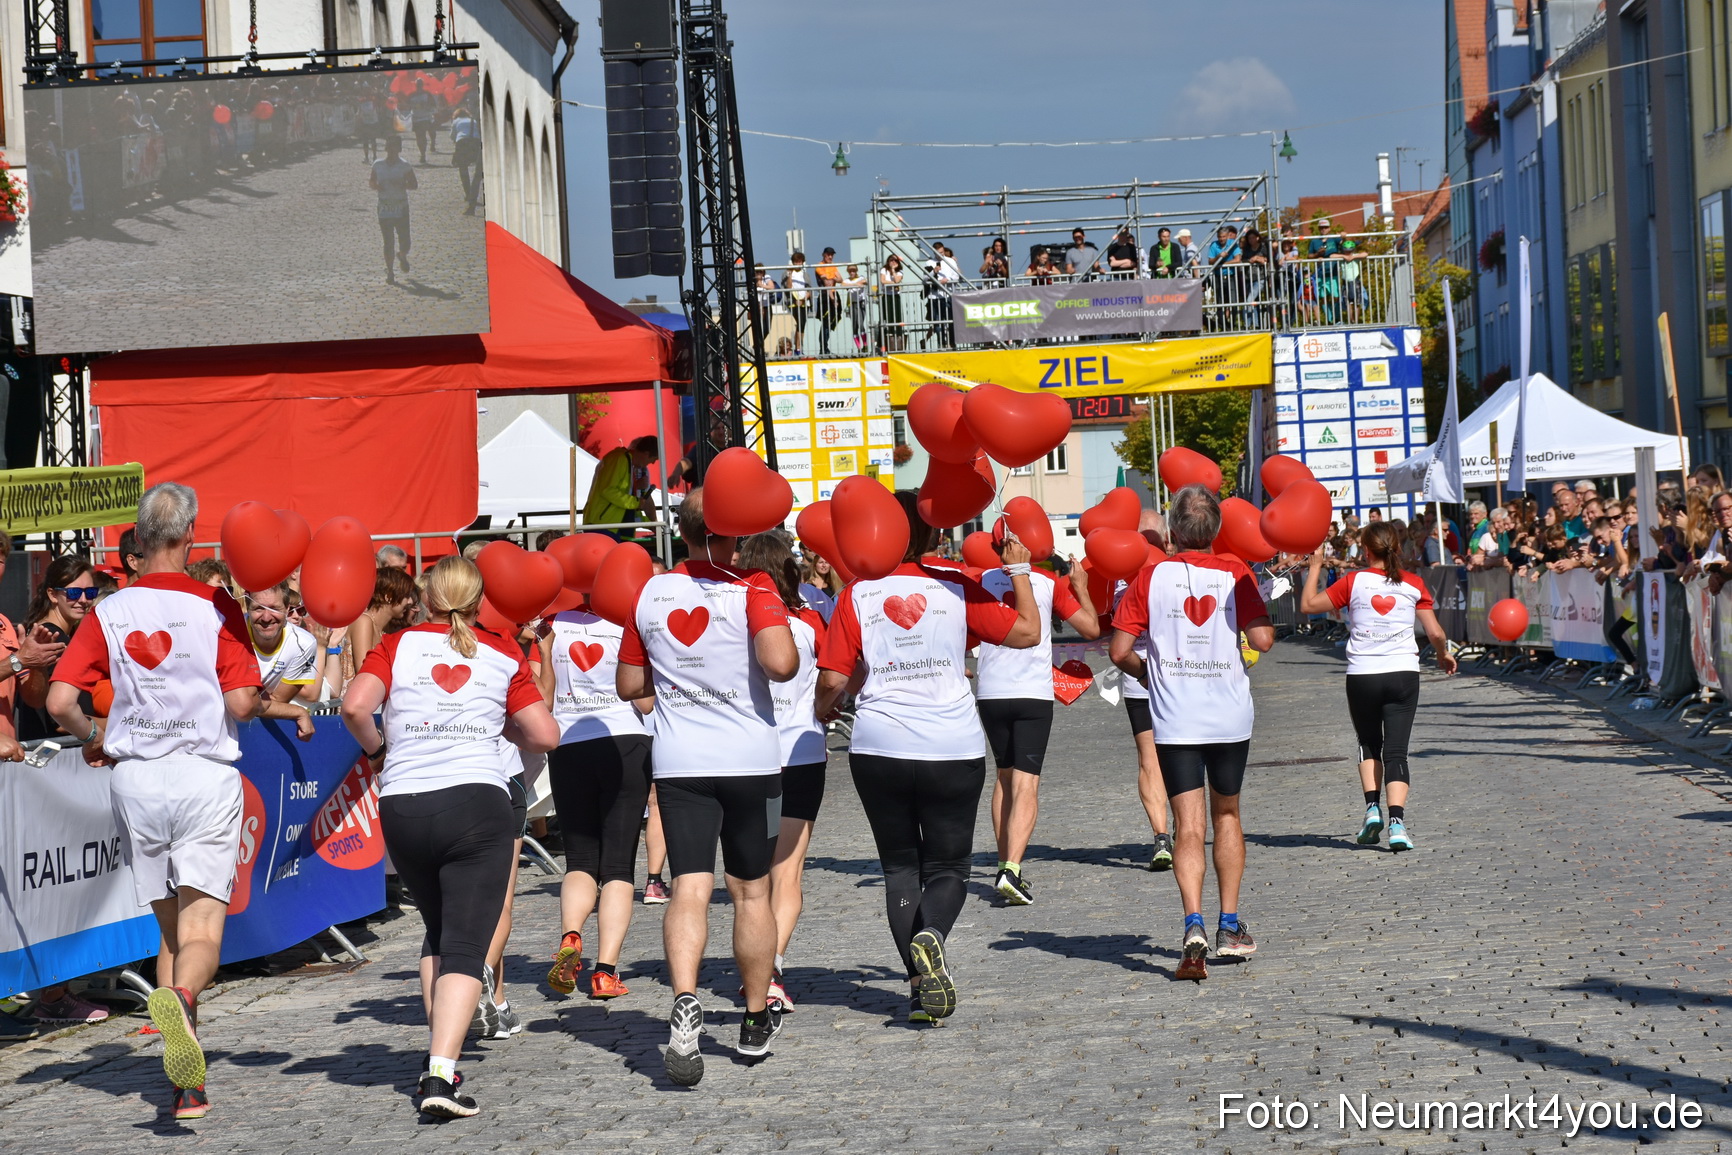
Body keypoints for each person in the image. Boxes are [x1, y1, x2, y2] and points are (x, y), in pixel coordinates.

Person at [46, 483, 262, 1121]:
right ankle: (183, 999)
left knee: (170, 930)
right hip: (202, 775)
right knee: (202, 934)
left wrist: (95, 737)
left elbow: (59, 701)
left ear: (139, 539)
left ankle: (186, 1085)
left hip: (136, 780)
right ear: (190, 535)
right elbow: (242, 703)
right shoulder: (216, 604)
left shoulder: (109, 609)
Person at [340, 556, 558, 1119]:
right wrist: (498, 724)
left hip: (404, 805)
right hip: (476, 804)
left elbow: (355, 706)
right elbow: (545, 734)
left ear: (426, 598)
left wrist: (379, 752)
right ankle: (440, 1073)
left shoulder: (397, 645)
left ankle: (439, 1049)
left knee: (437, 934)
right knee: (463, 944)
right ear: (480, 601)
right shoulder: (501, 651)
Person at [815, 492, 1042, 1022]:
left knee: (900, 868)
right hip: (950, 747)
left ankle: (919, 991)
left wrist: (823, 711)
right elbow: (1029, 631)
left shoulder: (857, 592)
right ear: (934, 534)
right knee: (948, 867)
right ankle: (933, 935)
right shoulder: (955, 584)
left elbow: (831, 679)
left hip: (879, 747)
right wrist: (1019, 570)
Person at [615, 488, 798, 1085]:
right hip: (749, 762)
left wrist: (680, 683)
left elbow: (628, 684)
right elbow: (782, 664)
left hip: (680, 763)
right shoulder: (754, 587)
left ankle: (685, 1001)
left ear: (685, 532)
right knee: (751, 892)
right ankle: (754, 1016)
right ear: (733, 533)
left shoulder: (651, 592)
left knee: (688, 888)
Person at [1108, 485, 1275, 982]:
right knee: (1228, 815)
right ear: (1216, 529)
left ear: (1172, 532)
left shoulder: (1150, 575)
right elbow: (1263, 639)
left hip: (1175, 718)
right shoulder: (1236, 572)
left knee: (1188, 826)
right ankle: (1229, 925)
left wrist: (1148, 674)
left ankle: (1193, 923)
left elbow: (1118, 651)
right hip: (1228, 716)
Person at [1299, 522, 1457, 850]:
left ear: (1366, 550)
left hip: (1363, 674)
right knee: (1397, 751)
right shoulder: (1413, 583)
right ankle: (1397, 824)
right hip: (1403, 674)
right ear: (1396, 548)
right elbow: (1435, 632)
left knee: (1369, 744)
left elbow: (1309, 606)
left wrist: (1315, 567)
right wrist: (1443, 654)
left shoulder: (1353, 581)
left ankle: (1372, 809)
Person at [537, 572, 655, 1002]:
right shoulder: (629, 622)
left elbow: (543, 698)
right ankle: (605, 972)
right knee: (619, 868)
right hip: (626, 744)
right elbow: (645, 702)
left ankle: (571, 936)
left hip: (569, 745)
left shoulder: (551, 625)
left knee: (580, 861)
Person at [977, 534, 1099, 905]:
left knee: (1004, 776)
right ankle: (1011, 870)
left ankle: (1003, 863)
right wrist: (1081, 587)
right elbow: (1091, 629)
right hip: (1031, 692)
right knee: (1026, 782)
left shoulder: (979, 580)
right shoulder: (1048, 583)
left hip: (991, 691)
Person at [735, 531, 826, 1013]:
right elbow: (839, 675)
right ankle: (770, 970)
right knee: (787, 873)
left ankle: (758, 964)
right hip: (802, 755)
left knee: (752, 875)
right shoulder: (809, 621)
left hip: (747, 758)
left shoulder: (732, 619)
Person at [1117, 510, 1175, 871]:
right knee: (1153, 758)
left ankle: (1173, 829)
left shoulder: (1177, 575)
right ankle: (1163, 836)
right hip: (1145, 679)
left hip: (1174, 677)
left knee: (1170, 757)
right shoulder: (1118, 580)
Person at [241, 583, 320, 736]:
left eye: (274, 608)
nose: (266, 617)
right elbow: (239, 703)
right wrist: (298, 711)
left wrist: (298, 711)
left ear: (287, 609)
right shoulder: (228, 633)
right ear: (247, 608)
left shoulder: (304, 644)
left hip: (257, 728)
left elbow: (276, 702)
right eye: (258, 608)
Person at [583, 436, 659, 540]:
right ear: (646, 454)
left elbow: (625, 505)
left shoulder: (627, 463)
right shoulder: (620, 459)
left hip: (610, 526)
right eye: (653, 459)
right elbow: (608, 490)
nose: (652, 463)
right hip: (602, 525)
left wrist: (650, 524)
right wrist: (636, 502)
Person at [370, 135, 418, 285]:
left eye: (394, 147)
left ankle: (402, 255)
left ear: (399, 149)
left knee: (405, 241)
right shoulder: (378, 164)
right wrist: (377, 186)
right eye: (389, 146)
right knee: (388, 241)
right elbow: (371, 182)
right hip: (384, 207)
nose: (391, 150)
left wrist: (403, 185)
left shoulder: (404, 165)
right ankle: (390, 271)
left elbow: (414, 184)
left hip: (401, 207)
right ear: (386, 148)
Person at [450, 105, 483, 215]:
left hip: (462, 143)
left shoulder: (456, 121)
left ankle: (468, 192)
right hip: (475, 143)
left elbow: (452, 136)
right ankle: (472, 195)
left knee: (463, 168)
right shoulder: (473, 120)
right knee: (478, 172)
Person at [814, 247, 842, 355]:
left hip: (833, 294)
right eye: (828, 255)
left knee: (831, 322)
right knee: (826, 322)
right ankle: (823, 348)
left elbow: (840, 279)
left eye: (832, 255)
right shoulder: (820, 266)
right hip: (825, 296)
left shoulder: (833, 266)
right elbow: (826, 284)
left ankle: (825, 347)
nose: (830, 257)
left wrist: (834, 279)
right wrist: (833, 299)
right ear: (823, 255)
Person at [783, 251, 812, 356]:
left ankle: (799, 348)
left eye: (800, 261)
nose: (798, 264)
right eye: (796, 261)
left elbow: (809, 289)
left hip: (804, 302)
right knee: (800, 322)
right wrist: (790, 274)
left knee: (802, 324)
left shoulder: (805, 274)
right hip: (793, 302)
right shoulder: (787, 273)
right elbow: (788, 287)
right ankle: (798, 348)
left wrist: (804, 299)